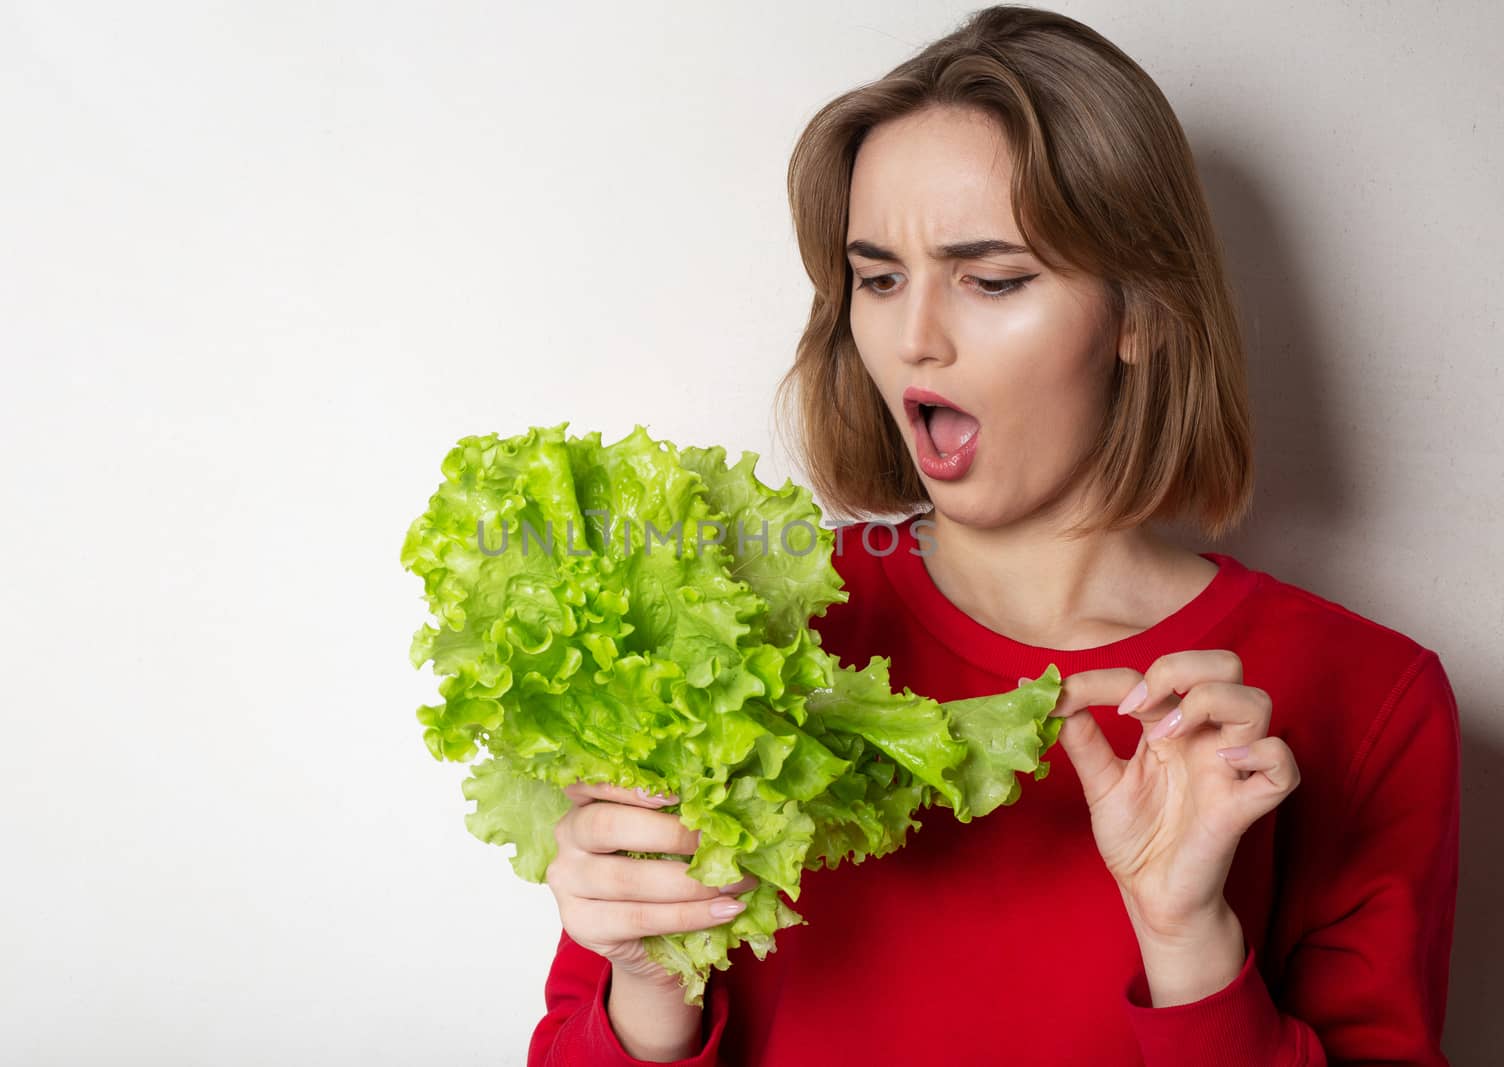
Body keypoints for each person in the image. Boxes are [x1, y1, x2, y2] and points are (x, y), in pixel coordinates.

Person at [526, 6, 1461, 1064]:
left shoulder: (1366, 697)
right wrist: (650, 978)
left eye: (993, 278)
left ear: (1140, 313)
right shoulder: (729, 628)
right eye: (878, 278)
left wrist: (1187, 940)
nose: (914, 336)